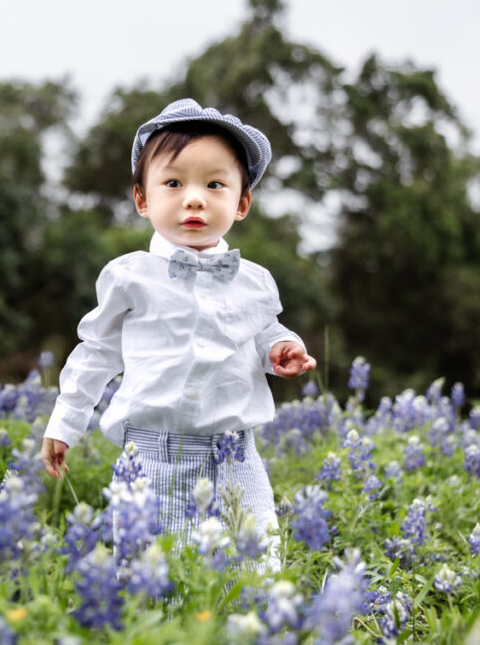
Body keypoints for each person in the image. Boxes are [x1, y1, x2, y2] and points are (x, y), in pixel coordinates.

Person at [41, 98, 316, 570]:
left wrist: (281, 349)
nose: (194, 198)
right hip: (151, 458)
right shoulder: (130, 276)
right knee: (155, 574)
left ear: (242, 203)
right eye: (173, 183)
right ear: (143, 200)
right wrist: (66, 421)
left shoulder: (255, 280)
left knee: (253, 571)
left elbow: (265, 331)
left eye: (214, 184)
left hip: (236, 458)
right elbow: (97, 353)